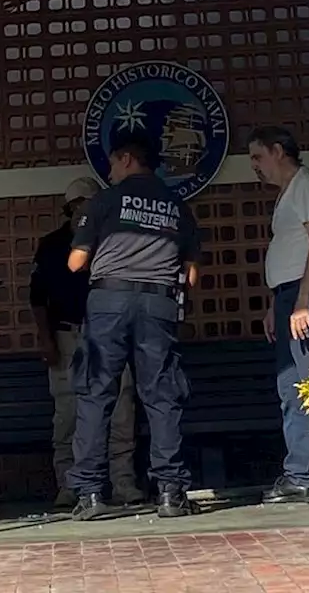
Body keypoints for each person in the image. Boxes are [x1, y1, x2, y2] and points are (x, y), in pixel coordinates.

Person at [67, 133, 201, 520]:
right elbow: (191, 276)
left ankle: (91, 495)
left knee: (95, 394)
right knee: (162, 396)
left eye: (111, 163)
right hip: (158, 303)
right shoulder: (178, 206)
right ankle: (170, 494)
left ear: (127, 159)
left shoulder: (105, 200)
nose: (109, 172)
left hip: (109, 301)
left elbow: (76, 263)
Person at [30, 176, 143, 510]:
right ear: (69, 208)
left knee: (122, 409)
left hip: (110, 333)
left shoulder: (115, 239)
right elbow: (38, 299)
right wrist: (45, 339)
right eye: (81, 204)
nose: (88, 209)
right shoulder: (52, 245)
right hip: (67, 334)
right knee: (68, 412)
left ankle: (123, 481)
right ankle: (69, 484)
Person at [248, 125, 309, 504]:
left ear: (278, 151)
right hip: (289, 296)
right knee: (292, 389)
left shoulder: (306, 185)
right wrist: (279, 303)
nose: (255, 166)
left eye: (258, 156)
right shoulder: (287, 193)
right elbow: (291, 249)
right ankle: (298, 474)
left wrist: (303, 299)